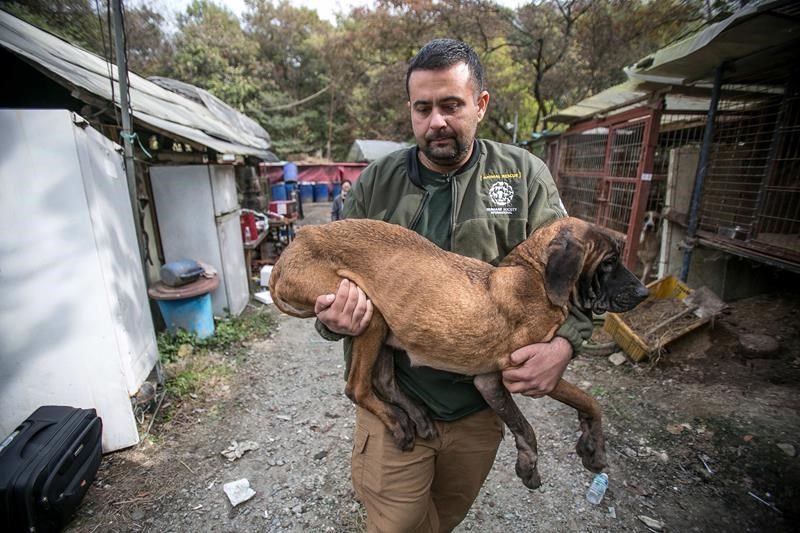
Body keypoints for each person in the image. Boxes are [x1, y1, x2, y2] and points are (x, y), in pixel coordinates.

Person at [313, 38, 592, 533]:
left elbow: (581, 266)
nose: (435, 121)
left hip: (478, 409)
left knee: (445, 518)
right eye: (423, 108)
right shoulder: (378, 182)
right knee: (397, 524)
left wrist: (565, 345)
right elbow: (330, 273)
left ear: (481, 105)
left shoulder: (523, 176)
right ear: (410, 110)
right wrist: (332, 319)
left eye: (451, 106)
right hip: (396, 399)